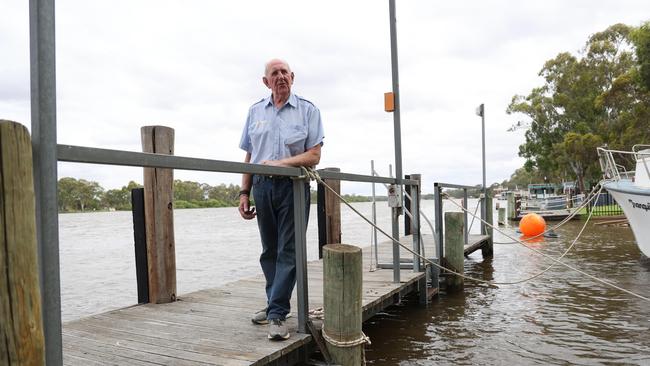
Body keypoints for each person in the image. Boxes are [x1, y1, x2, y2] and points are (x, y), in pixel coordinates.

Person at [238, 58, 324, 341]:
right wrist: (243, 193)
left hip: (293, 186)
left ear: (293, 77)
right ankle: (275, 303)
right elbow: (249, 156)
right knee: (269, 250)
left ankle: (276, 314)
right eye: (274, 73)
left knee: (289, 250)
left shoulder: (307, 110)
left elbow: (313, 155)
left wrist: (282, 164)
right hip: (262, 187)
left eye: (285, 72)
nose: (280, 77)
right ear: (266, 81)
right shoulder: (254, 112)